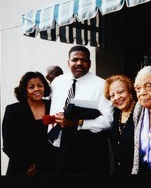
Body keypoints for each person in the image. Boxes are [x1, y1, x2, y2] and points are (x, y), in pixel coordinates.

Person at [48, 45, 114, 174]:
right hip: (55, 145)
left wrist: (77, 122)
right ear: (68, 62)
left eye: (83, 60)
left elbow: (109, 120)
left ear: (89, 63)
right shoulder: (57, 82)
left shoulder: (102, 85)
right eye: (75, 60)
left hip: (86, 147)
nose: (79, 63)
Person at [2, 71, 58, 175]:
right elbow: (8, 144)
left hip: (49, 167)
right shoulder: (13, 110)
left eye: (40, 85)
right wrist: (28, 166)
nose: (37, 89)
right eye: (31, 87)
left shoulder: (53, 106)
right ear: (25, 90)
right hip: (22, 168)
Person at [104, 75, 136, 174]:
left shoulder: (141, 113)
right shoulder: (115, 114)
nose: (117, 97)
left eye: (120, 92)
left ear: (130, 92)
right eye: (112, 95)